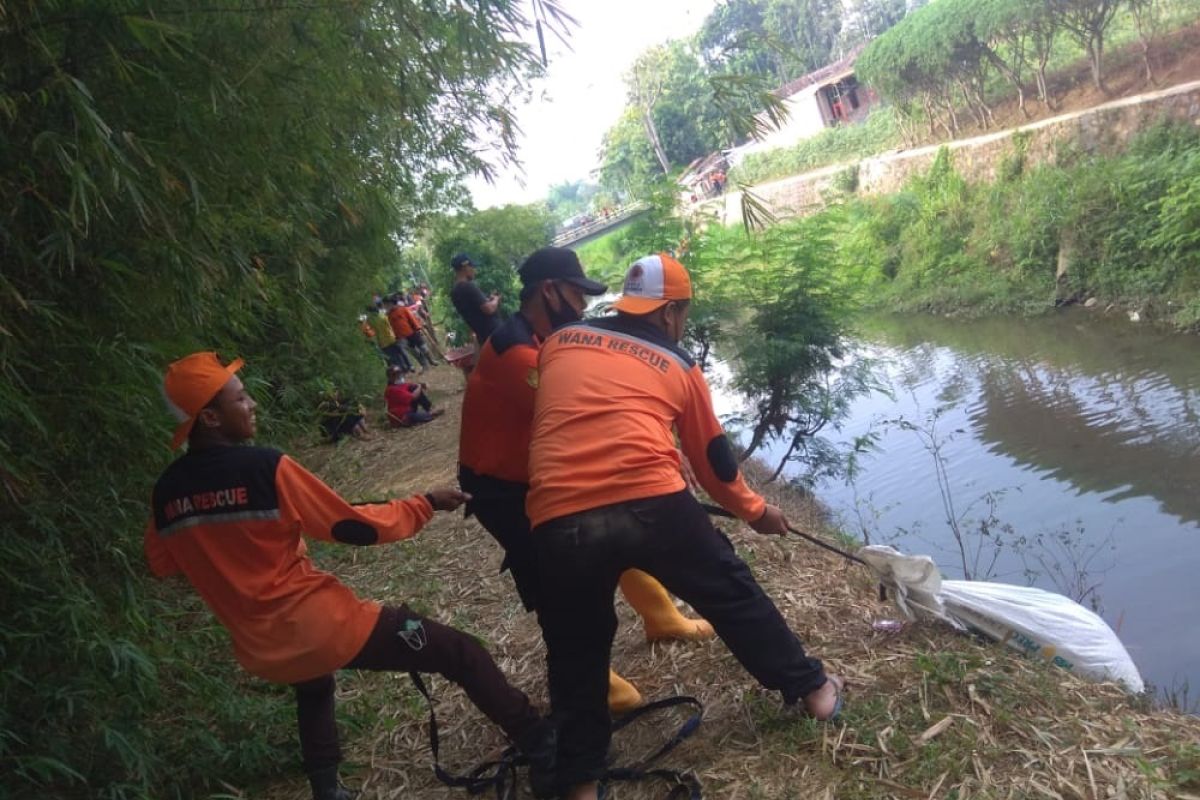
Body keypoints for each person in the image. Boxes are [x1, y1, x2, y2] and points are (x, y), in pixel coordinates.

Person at [144, 352, 552, 800]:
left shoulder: (166, 493)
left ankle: (326, 790)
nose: (253, 404)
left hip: (261, 646)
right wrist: (425, 504)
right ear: (210, 418)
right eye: (240, 399)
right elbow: (350, 526)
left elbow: (163, 565)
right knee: (459, 652)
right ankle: (544, 748)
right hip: (318, 627)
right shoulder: (264, 467)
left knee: (313, 682)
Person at [526, 254, 846, 800]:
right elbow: (716, 467)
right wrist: (757, 512)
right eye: (685, 312)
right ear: (671, 312)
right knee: (730, 593)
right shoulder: (678, 365)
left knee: (575, 648)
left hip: (557, 513)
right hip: (652, 502)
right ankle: (814, 691)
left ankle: (580, 782)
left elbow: (573, 417)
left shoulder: (558, 343)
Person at [458, 247, 714, 715]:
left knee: (616, 529)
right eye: (576, 295)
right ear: (549, 292)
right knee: (558, 580)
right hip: (502, 488)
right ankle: (593, 683)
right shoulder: (519, 353)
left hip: (537, 472)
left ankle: (662, 617)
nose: (582, 306)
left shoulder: (547, 339)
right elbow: (587, 420)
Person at [450, 253, 501, 343]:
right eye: (472, 267)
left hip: (483, 338)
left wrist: (488, 301)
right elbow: (488, 309)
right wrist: (496, 300)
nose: (474, 270)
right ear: (465, 267)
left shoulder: (454, 292)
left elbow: (473, 310)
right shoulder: (468, 286)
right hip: (495, 334)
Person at [386, 295, 437, 371]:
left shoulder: (403, 309)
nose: (386, 306)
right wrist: (396, 337)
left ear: (392, 303)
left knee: (423, 348)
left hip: (413, 332)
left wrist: (418, 328)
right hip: (402, 337)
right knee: (415, 352)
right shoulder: (388, 315)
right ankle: (424, 365)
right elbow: (391, 327)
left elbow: (412, 319)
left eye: (387, 304)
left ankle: (431, 361)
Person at [369, 302, 413, 373]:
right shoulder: (383, 316)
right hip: (392, 337)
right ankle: (409, 366)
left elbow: (372, 332)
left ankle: (402, 369)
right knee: (401, 351)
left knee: (393, 357)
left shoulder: (370, 321)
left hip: (383, 342)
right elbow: (390, 326)